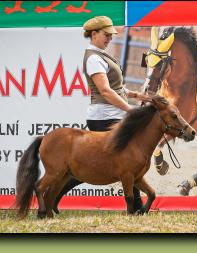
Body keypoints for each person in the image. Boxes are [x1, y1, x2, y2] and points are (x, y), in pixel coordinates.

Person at [53, 16, 143, 214]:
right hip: (105, 117)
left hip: (113, 115)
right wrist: (131, 110)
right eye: (106, 34)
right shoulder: (94, 58)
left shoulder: (102, 55)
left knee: (125, 162)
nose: (110, 38)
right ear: (94, 34)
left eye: (111, 34)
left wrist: (137, 95)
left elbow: (116, 88)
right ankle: (137, 207)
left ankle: (138, 206)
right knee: (101, 167)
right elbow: (105, 91)